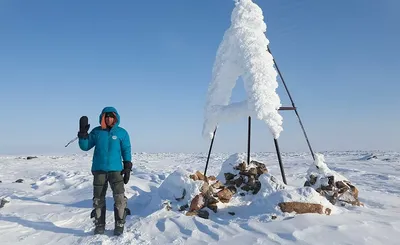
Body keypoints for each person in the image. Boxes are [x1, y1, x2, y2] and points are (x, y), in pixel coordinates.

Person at [77, 106, 132, 236]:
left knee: (119, 198)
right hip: (99, 170)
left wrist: (127, 165)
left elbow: (126, 149)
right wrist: (83, 135)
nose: (108, 119)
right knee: (98, 199)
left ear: (115, 117)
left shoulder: (122, 133)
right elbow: (85, 147)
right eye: (106, 116)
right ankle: (99, 224)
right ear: (102, 117)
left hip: (116, 170)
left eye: (111, 116)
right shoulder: (97, 132)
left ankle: (119, 224)